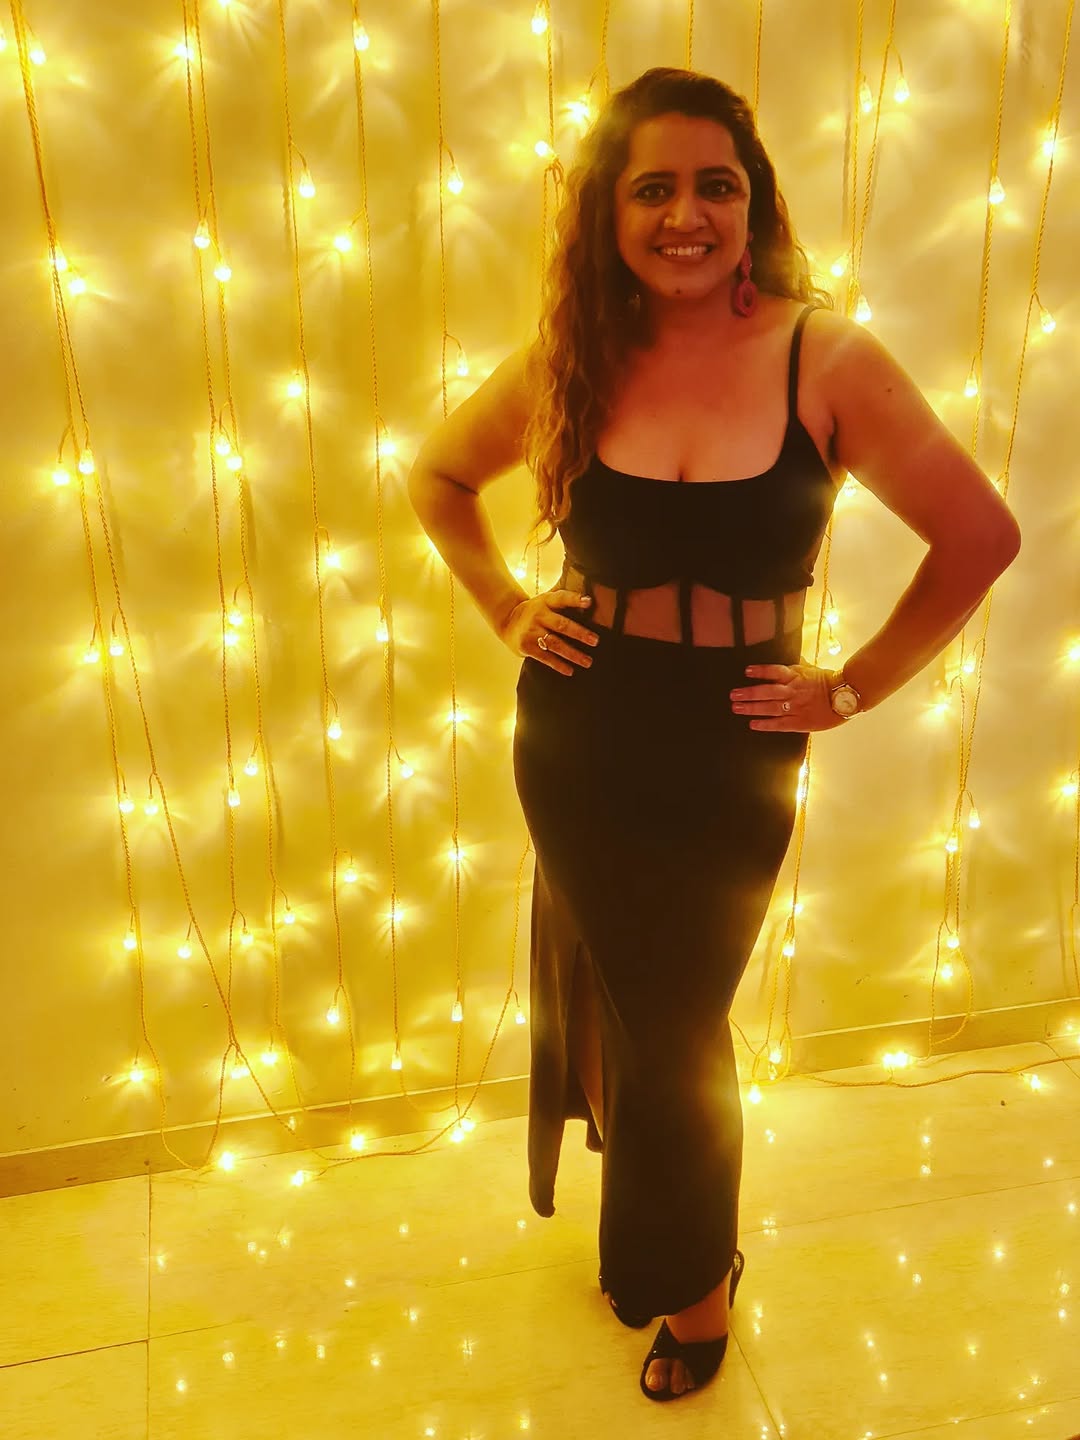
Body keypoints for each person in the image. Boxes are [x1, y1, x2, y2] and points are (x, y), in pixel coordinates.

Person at [407, 68, 1021, 1405]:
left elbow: (982, 536)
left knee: (677, 1020)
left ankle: (679, 1258)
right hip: (579, 732)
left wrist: (850, 688)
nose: (685, 215)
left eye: (715, 186)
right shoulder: (578, 353)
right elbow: (437, 476)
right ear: (608, 214)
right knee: (650, 1012)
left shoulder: (826, 357)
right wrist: (507, 607)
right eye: (653, 189)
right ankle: (688, 1271)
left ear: (754, 204)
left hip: (735, 742)